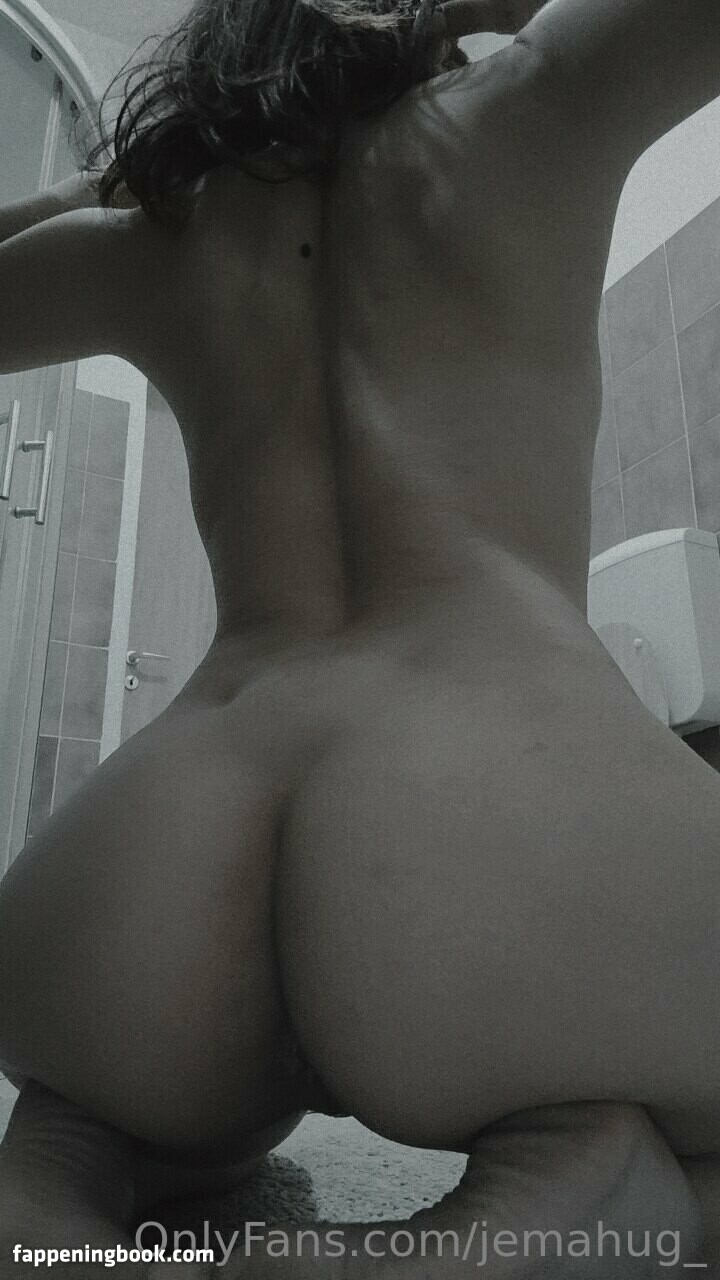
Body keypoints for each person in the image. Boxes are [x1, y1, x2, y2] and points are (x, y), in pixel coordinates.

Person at [0, 0, 720, 1267]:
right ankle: (559, 1192)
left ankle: (49, 1197)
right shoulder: (535, 103)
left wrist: (124, 181)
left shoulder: (157, 238)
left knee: (123, 1114)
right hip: (496, 783)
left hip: (158, 851)